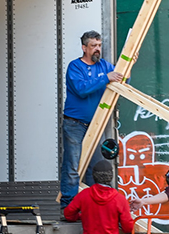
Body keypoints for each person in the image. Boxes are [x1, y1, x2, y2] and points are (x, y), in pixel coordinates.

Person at [61, 30, 124, 209]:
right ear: (84, 48)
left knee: (96, 168)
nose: (97, 49)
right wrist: (105, 78)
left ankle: (94, 208)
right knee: (73, 166)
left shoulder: (105, 66)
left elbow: (123, 80)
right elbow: (81, 89)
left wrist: (130, 63)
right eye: (93, 46)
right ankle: (68, 208)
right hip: (74, 123)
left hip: (97, 124)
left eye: (99, 45)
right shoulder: (75, 67)